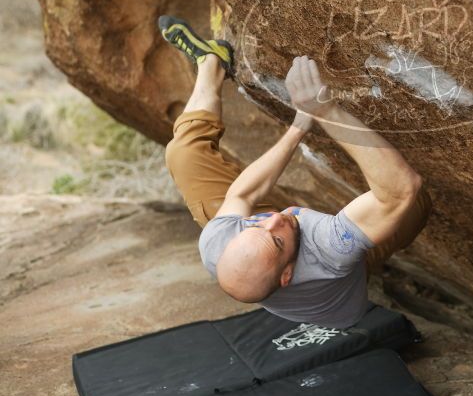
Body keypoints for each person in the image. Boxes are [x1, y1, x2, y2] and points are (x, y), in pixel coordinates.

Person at [159, 16, 431, 329]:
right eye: (275, 241)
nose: (274, 218)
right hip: (341, 284)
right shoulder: (329, 252)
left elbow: (243, 194)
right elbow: (400, 190)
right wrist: (324, 111)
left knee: (182, 155)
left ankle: (212, 63)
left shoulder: (219, 246)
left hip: (275, 253)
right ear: (287, 273)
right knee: (413, 202)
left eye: (254, 227)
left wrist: (299, 126)